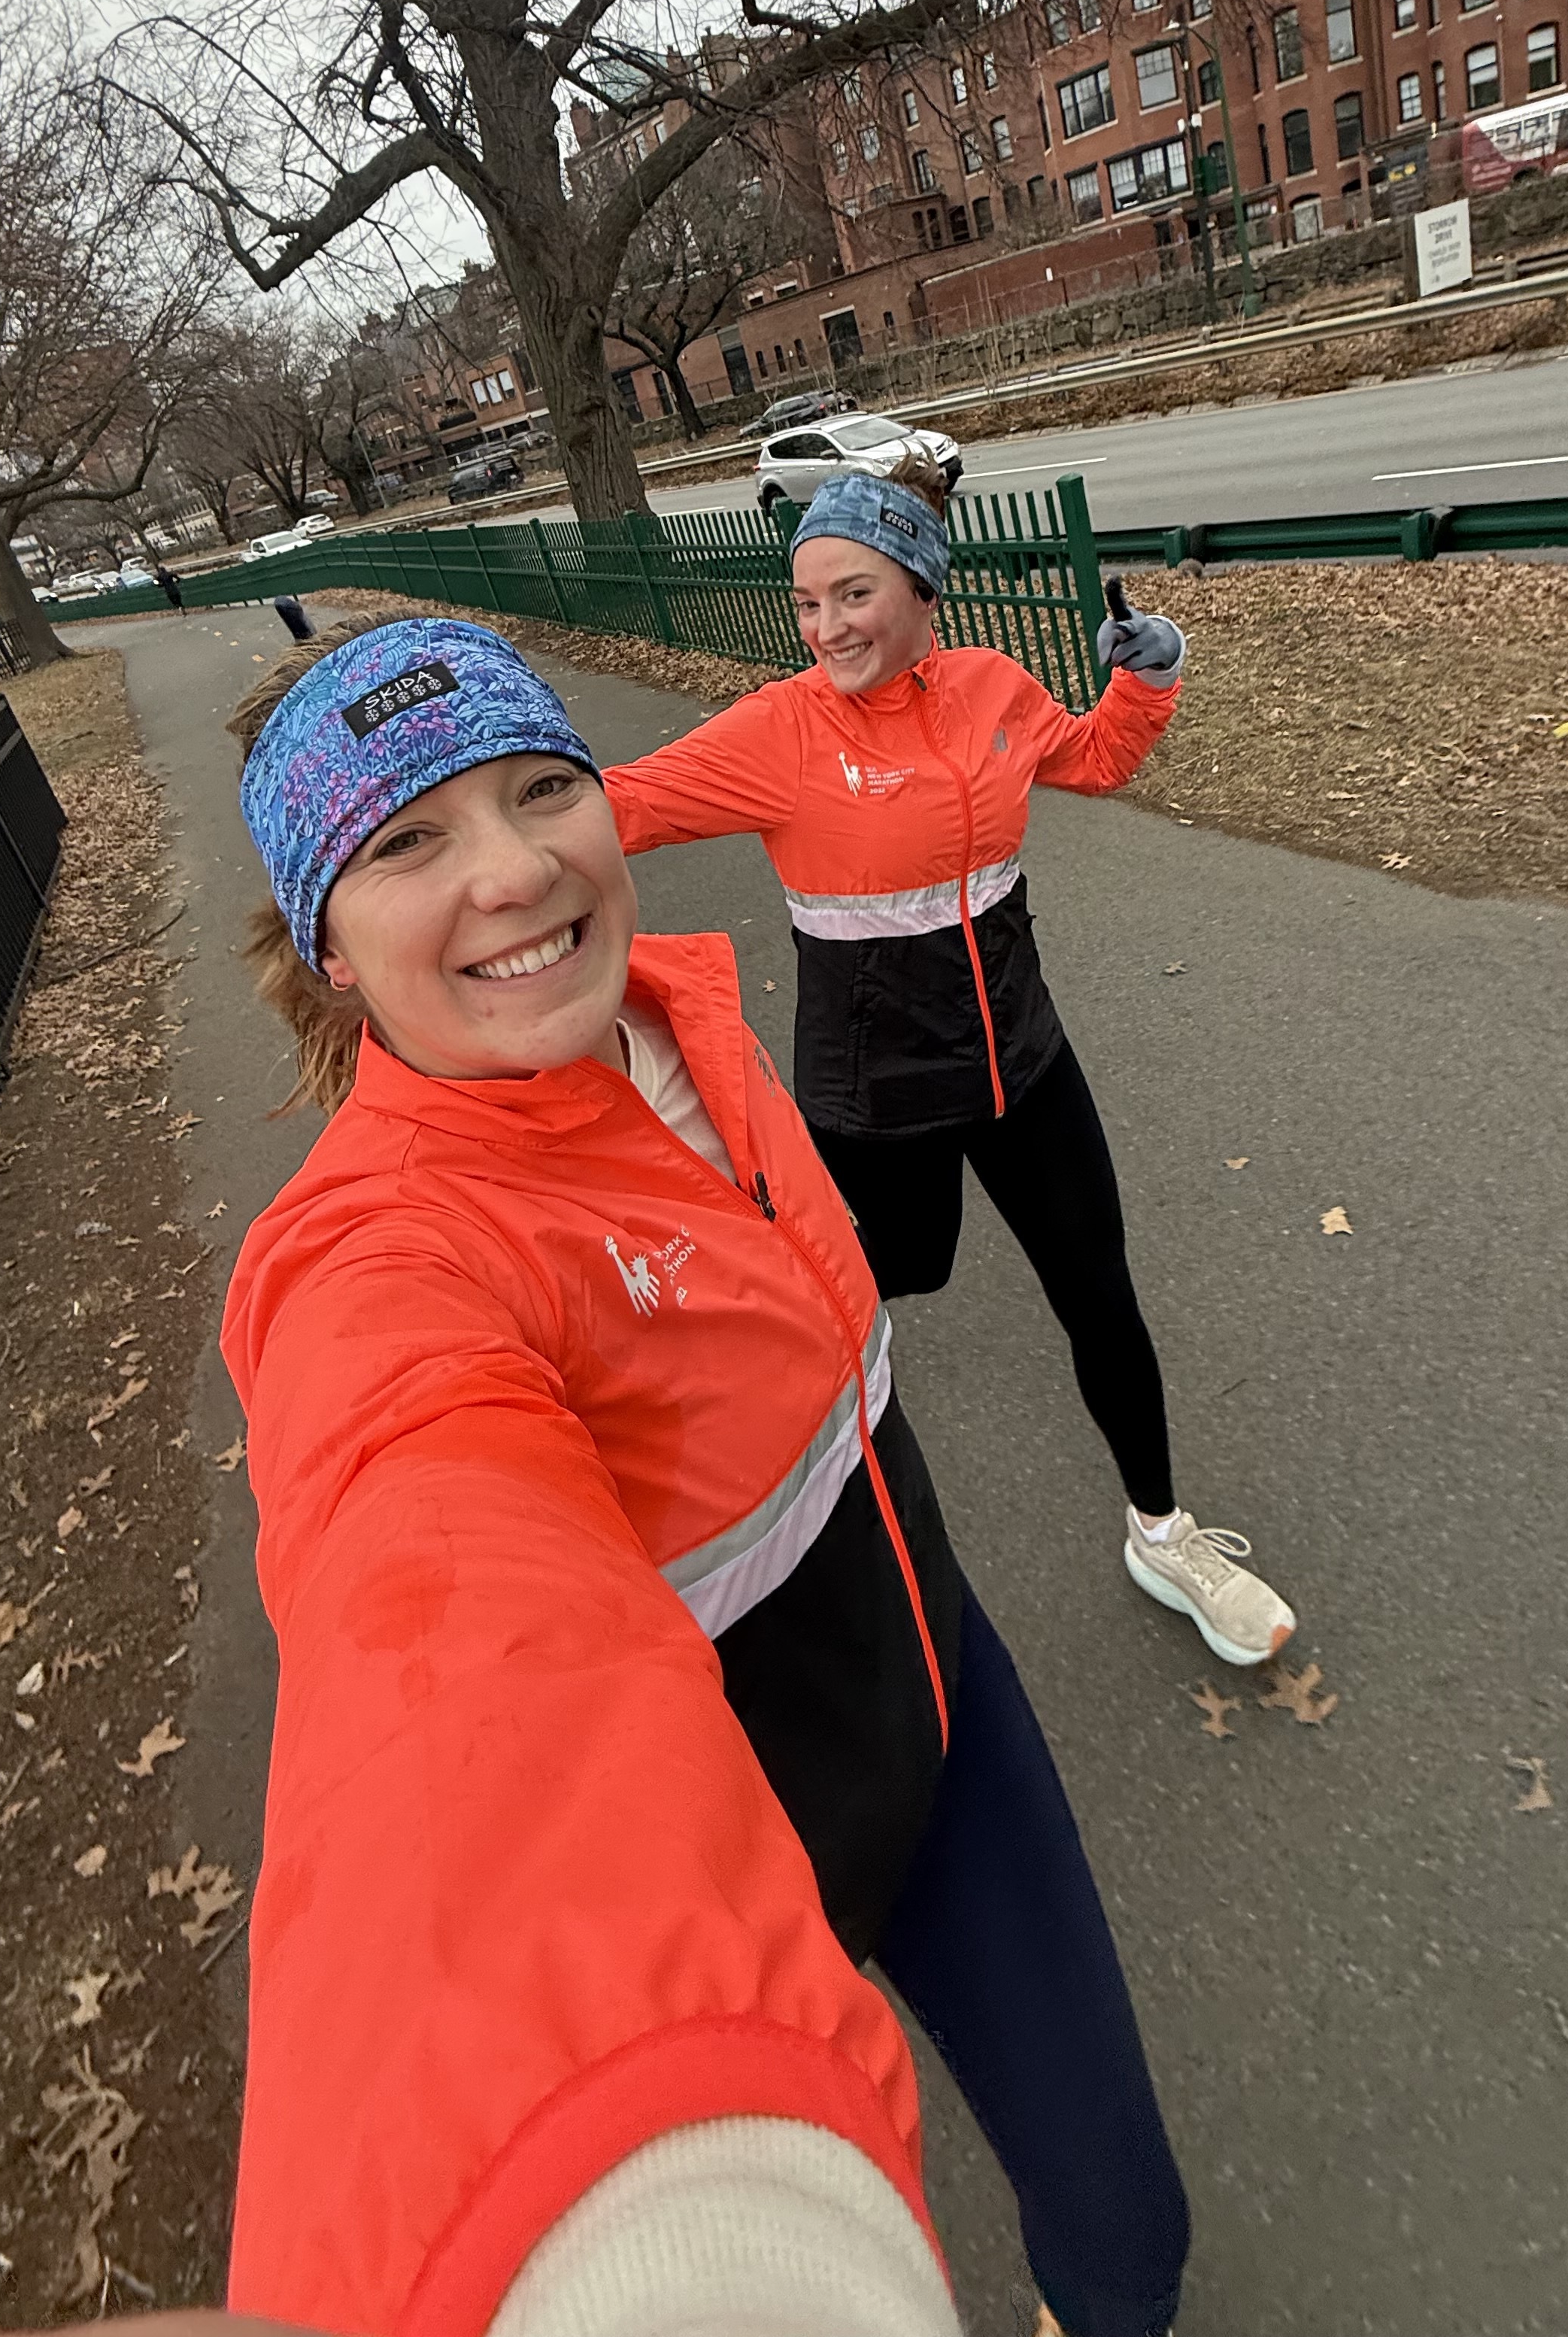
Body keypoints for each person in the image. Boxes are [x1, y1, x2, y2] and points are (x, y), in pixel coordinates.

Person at [210, 615, 1189, 2337]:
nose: (513, 872)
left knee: (1129, 2237)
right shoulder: (381, 1260)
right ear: (330, 947)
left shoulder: (696, 1022)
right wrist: (635, 2236)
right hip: (731, 1840)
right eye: (408, 842)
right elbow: (438, 1675)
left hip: (946, 1699)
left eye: (540, 791)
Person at [602, 465, 1294, 1671]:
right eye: (808, 603)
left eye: (854, 594)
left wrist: (1151, 673)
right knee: (885, 1284)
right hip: (877, 1097)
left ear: (922, 590)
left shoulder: (991, 690)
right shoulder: (780, 731)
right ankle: (769, 1487)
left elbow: (1090, 759)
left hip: (1025, 1062)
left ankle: (1162, 1532)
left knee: (1100, 1292)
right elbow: (614, 808)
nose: (827, 629)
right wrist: (468, 804)